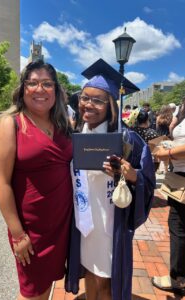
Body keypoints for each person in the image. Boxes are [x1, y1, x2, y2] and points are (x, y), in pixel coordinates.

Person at [65, 59, 155, 300]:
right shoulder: (72, 135)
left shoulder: (128, 139)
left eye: (97, 100)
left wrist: (130, 174)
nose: (88, 105)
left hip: (109, 223)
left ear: (110, 105)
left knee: (106, 281)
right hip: (83, 221)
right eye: (85, 98)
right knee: (89, 274)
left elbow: (146, 183)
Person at [0, 60, 73, 300]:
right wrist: (18, 234)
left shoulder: (61, 124)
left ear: (56, 90)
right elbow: (1, 183)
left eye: (47, 84)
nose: (40, 89)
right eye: (33, 83)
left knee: (45, 287)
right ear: (23, 88)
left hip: (60, 225)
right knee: (32, 292)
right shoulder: (9, 123)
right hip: (31, 229)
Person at [152, 97, 185, 296]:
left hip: (182, 176)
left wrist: (168, 153)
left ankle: (177, 278)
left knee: (178, 225)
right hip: (179, 173)